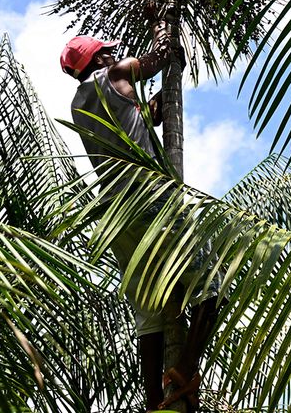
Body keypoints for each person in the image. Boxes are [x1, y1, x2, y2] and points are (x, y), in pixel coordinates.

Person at [60, 22, 217, 412]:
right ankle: (183, 370)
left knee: (148, 317)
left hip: (117, 215)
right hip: (151, 199)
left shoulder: (79, 104)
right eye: (107, 51)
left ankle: (152, 403)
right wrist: (160, 23)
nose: (114, 54)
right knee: (211, 282)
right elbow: (157, 58)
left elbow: (131, 125)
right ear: (99, 59)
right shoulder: (114, 73)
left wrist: (155, 107)